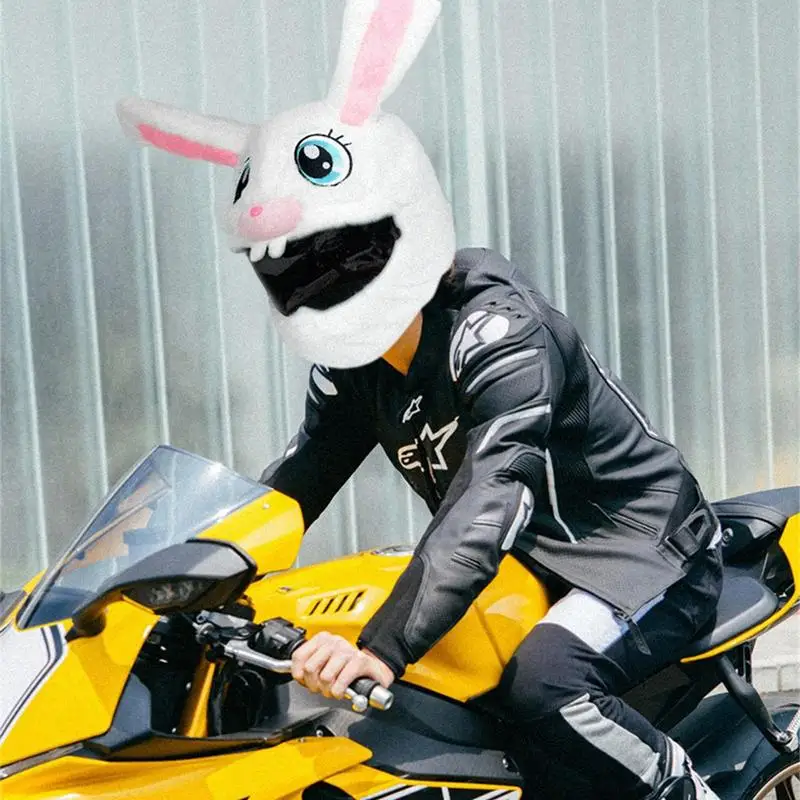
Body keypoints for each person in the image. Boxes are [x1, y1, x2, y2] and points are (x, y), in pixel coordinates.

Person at [262, 249, 724, 800]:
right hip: (522, 556)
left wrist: (380, 649)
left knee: (547, 685)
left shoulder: (498, 334)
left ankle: (682, 788)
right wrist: (207, 570)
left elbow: (492, 494)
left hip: (637, 547)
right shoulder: (355, 366)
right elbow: (293, 484)